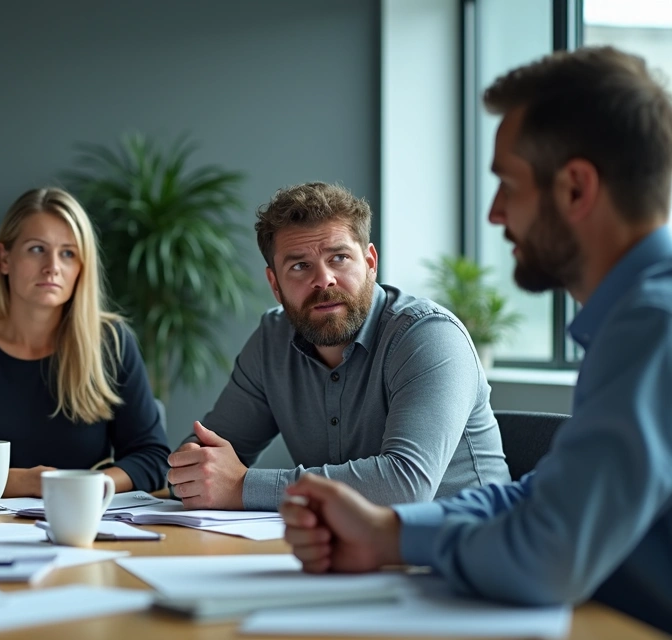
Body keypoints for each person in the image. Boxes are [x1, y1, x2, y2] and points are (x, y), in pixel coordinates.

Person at [280, 47, 672, 634]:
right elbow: (546, 497)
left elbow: (549, 553)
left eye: (507, 185)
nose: (493, 213)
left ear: (574, 189)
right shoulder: (637, 320)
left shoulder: (654, 326)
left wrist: (396, 539)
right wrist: (391, 534)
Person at [167, 182, 509, 511]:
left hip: (463, 553)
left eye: (340, 258)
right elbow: (204, 462)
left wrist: (243, 486)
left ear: (370, 263)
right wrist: (195, 472)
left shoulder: (429, 336)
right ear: (275, 283)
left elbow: (406, 486)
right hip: (352, 555)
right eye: (300, 266)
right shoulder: (272, 340)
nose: (324, 279)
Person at [0, 187, 170, 498]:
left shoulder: (111, 342)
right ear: (4, 259)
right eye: (36, 249)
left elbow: (153, 459)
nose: (53, 266)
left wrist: (90, 486)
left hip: (84, 525)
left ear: (81, 268)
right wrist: (27, 483)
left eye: (68, 253)